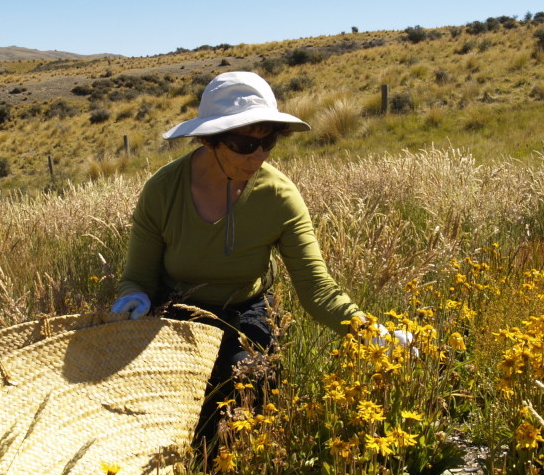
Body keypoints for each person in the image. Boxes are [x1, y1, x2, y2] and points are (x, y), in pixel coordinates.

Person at [111, 71, 405, 442]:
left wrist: (369, 332)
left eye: (269, 143)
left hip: (246, 311)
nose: (259, 156)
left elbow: (317, 289)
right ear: (208, 139)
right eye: (244, 145)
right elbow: (138, 275)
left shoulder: (279, 196)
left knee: (247, 385)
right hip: (179, 312)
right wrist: (133, 298)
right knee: (169, 408)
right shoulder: (163, 191)